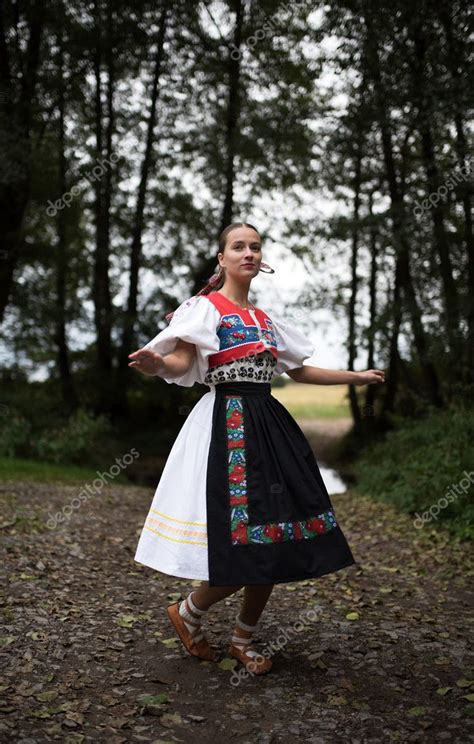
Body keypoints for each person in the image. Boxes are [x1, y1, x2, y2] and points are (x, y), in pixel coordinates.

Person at [128, 222, 385, 676]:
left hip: (269, 426)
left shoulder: (267, 322)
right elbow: (181, 362)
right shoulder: (205, 310)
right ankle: (190, 609)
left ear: (261, 260)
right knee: (241, 540)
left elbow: (300, 372)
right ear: (222, 258)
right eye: (238, 247)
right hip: (226, 428)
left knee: (278, 534)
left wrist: (356, 377)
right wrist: (155, 365)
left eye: (254, 247)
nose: (247, 253)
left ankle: (239, 638)